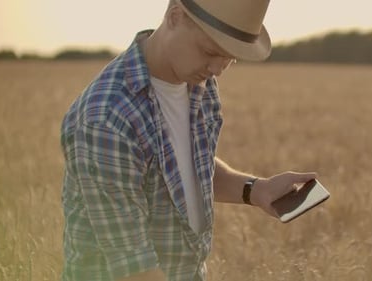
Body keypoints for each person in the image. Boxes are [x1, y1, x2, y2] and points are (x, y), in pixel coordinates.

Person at [60, 0, 317, 280]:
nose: (218, 69)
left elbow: (185, 168)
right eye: (210, 51)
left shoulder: (199, 84)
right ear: (175, 16)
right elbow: (133, 268)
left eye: (231, 58)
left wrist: (256, 190)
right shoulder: (106, 118)